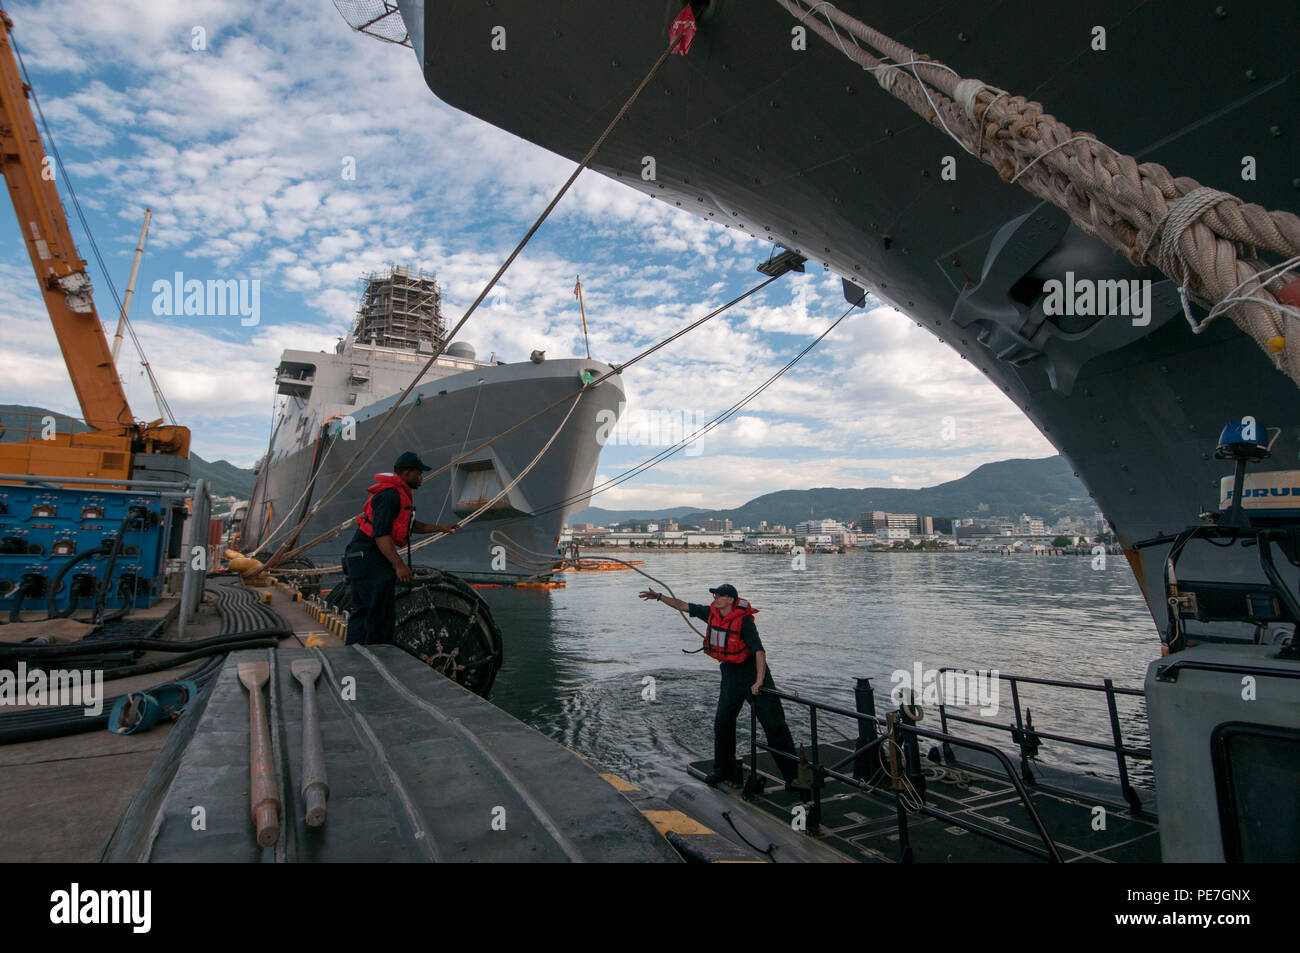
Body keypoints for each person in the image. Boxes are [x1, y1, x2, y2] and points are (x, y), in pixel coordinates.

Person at [639, 582, 799, 789]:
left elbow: (759, 651)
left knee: (773, 724)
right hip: (731, 674)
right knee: (723, 722)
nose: (714, 598)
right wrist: (659, 597)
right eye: (714, 595)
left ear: (730, 600)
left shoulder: (744, 622)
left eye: (718, 595)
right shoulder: (711, 613)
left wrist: (759, 681)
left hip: (753, 674)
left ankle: (793, 776)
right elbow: (683, 605)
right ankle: (724, 769)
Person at [343, 451, 459, 645]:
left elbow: (410, 525)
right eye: (418, 473)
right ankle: (377, 657)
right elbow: (380, 535)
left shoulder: (398, 495)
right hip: (369, 557)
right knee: (379, 615)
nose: (421, 478)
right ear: (406, 473)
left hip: (362, 556)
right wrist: (399, 565)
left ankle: (355, 657)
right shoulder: (389, 496)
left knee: (364, 612)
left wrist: (440, 528)